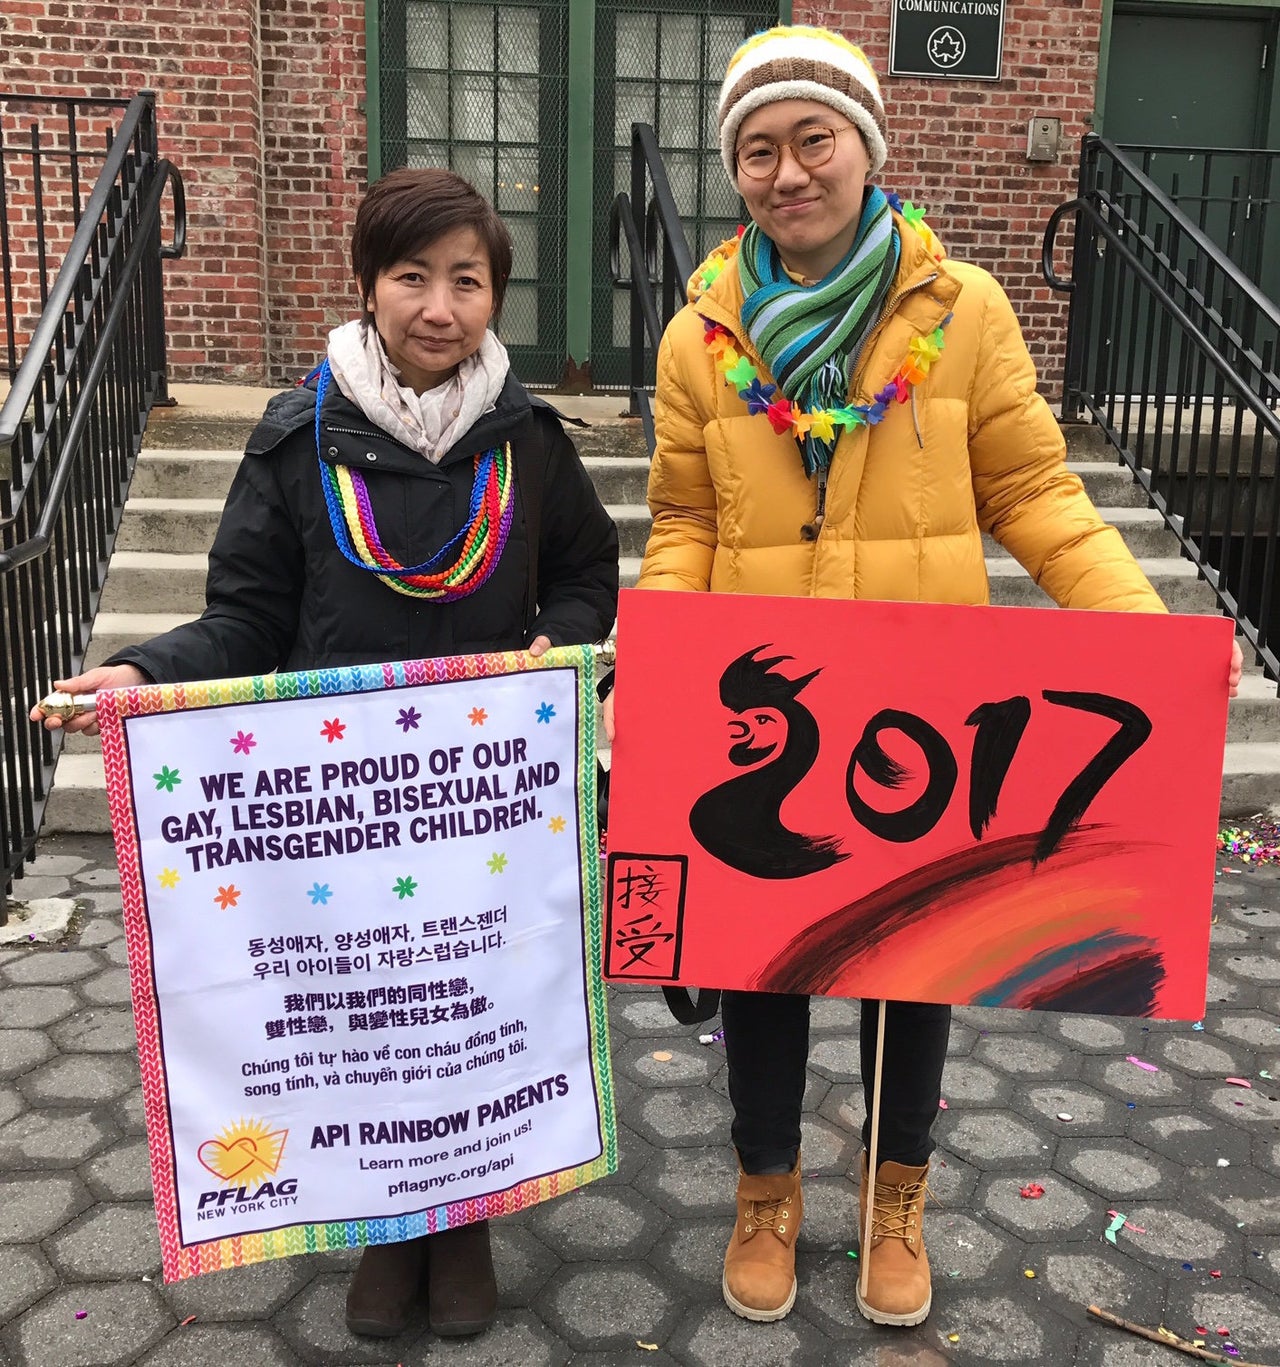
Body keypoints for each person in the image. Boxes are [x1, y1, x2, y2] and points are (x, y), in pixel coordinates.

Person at [604, 24, 1244, 1330]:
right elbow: (681, 523)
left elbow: (1036, 496)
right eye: (758, 150)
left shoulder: (966, 312)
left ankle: (897, 1194)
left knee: (918, 963)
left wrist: (1148, 640)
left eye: (812, 139)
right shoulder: (696, 338)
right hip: (763, 716)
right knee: (760, 961)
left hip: (920, 726)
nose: (787, 172)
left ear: (864, 147)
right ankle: (767, 1189)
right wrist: (656, 658)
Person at [33, 166, 619, 1339]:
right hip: (343, 810)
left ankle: (463, 1223)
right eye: (412, 276)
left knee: (469, 1010)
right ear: (366, 285)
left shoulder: (533, 447)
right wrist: (145, 670)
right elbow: (246, 614)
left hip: (482, 813)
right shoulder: (297, 440)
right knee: (369, 1021)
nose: (439, 306)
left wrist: (559, 647)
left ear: (496, 296)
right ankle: (386, 1228)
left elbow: (582, 576)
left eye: (467, 280)